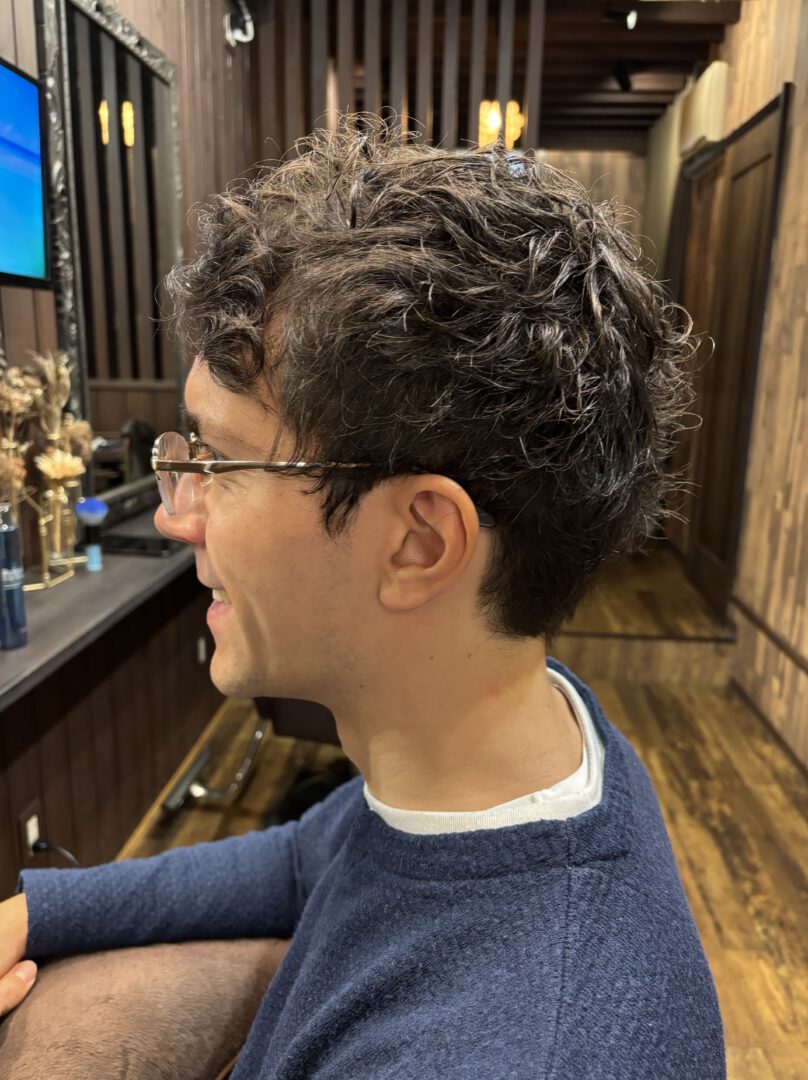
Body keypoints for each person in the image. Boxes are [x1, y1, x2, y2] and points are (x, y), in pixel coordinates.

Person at [0, 117, 725, 1078]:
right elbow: (309, 857)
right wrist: (35, 911)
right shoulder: (515, 749)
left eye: (218, 463)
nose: (179, 515)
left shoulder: (518, 1050)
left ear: (419, 542)